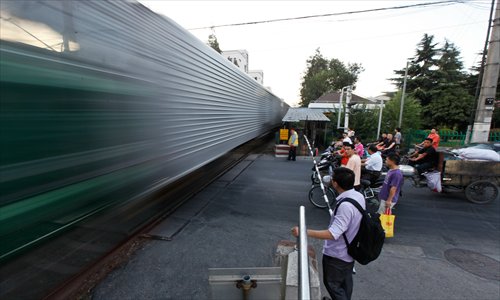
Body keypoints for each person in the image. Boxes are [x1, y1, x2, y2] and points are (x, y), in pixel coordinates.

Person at [291, 167, 364, 300]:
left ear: (335, 183)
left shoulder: (346, 206)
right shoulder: (358, 196)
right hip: (350, 251)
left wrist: (304, 231)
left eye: (332, 178)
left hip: (338, 254)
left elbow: (333, 234)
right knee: (345, 282)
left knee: (333, 285)